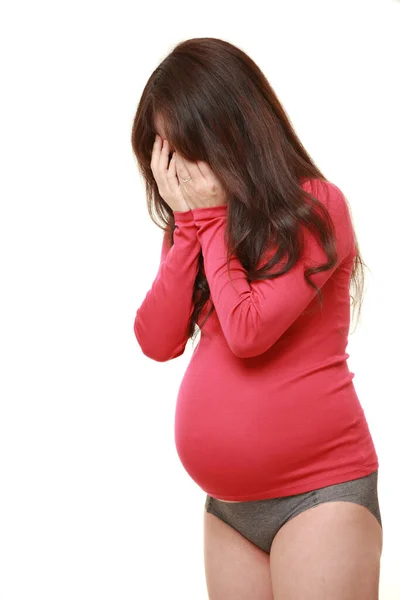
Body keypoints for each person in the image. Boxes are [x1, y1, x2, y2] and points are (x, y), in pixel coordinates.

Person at [131, 37, 383, 599]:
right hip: (229, 510)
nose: (175, 170)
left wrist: (211, 221)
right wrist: (191, 228)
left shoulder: (317, 207)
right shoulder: (199, 225)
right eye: (163, 151)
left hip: (319, 494)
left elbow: (248, 332)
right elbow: (156, 338)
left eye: (184, 146)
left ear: (230, 129)